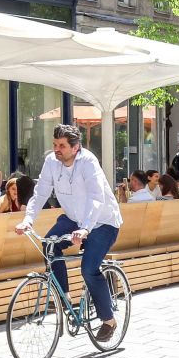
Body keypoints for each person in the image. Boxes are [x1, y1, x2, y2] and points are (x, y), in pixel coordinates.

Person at [15, 124, 124, 343]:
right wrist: (28, 219)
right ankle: (64, 297)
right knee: (49, 245)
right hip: (73, 218)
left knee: (89, 268)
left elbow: (96, 197)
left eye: (62, 146)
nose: (57, 149)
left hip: (102, 222)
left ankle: (108, 320)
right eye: (55, 145)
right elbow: (41, 192)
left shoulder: (88, 162)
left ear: (76, 148)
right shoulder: (51, 162)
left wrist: (85, 228)